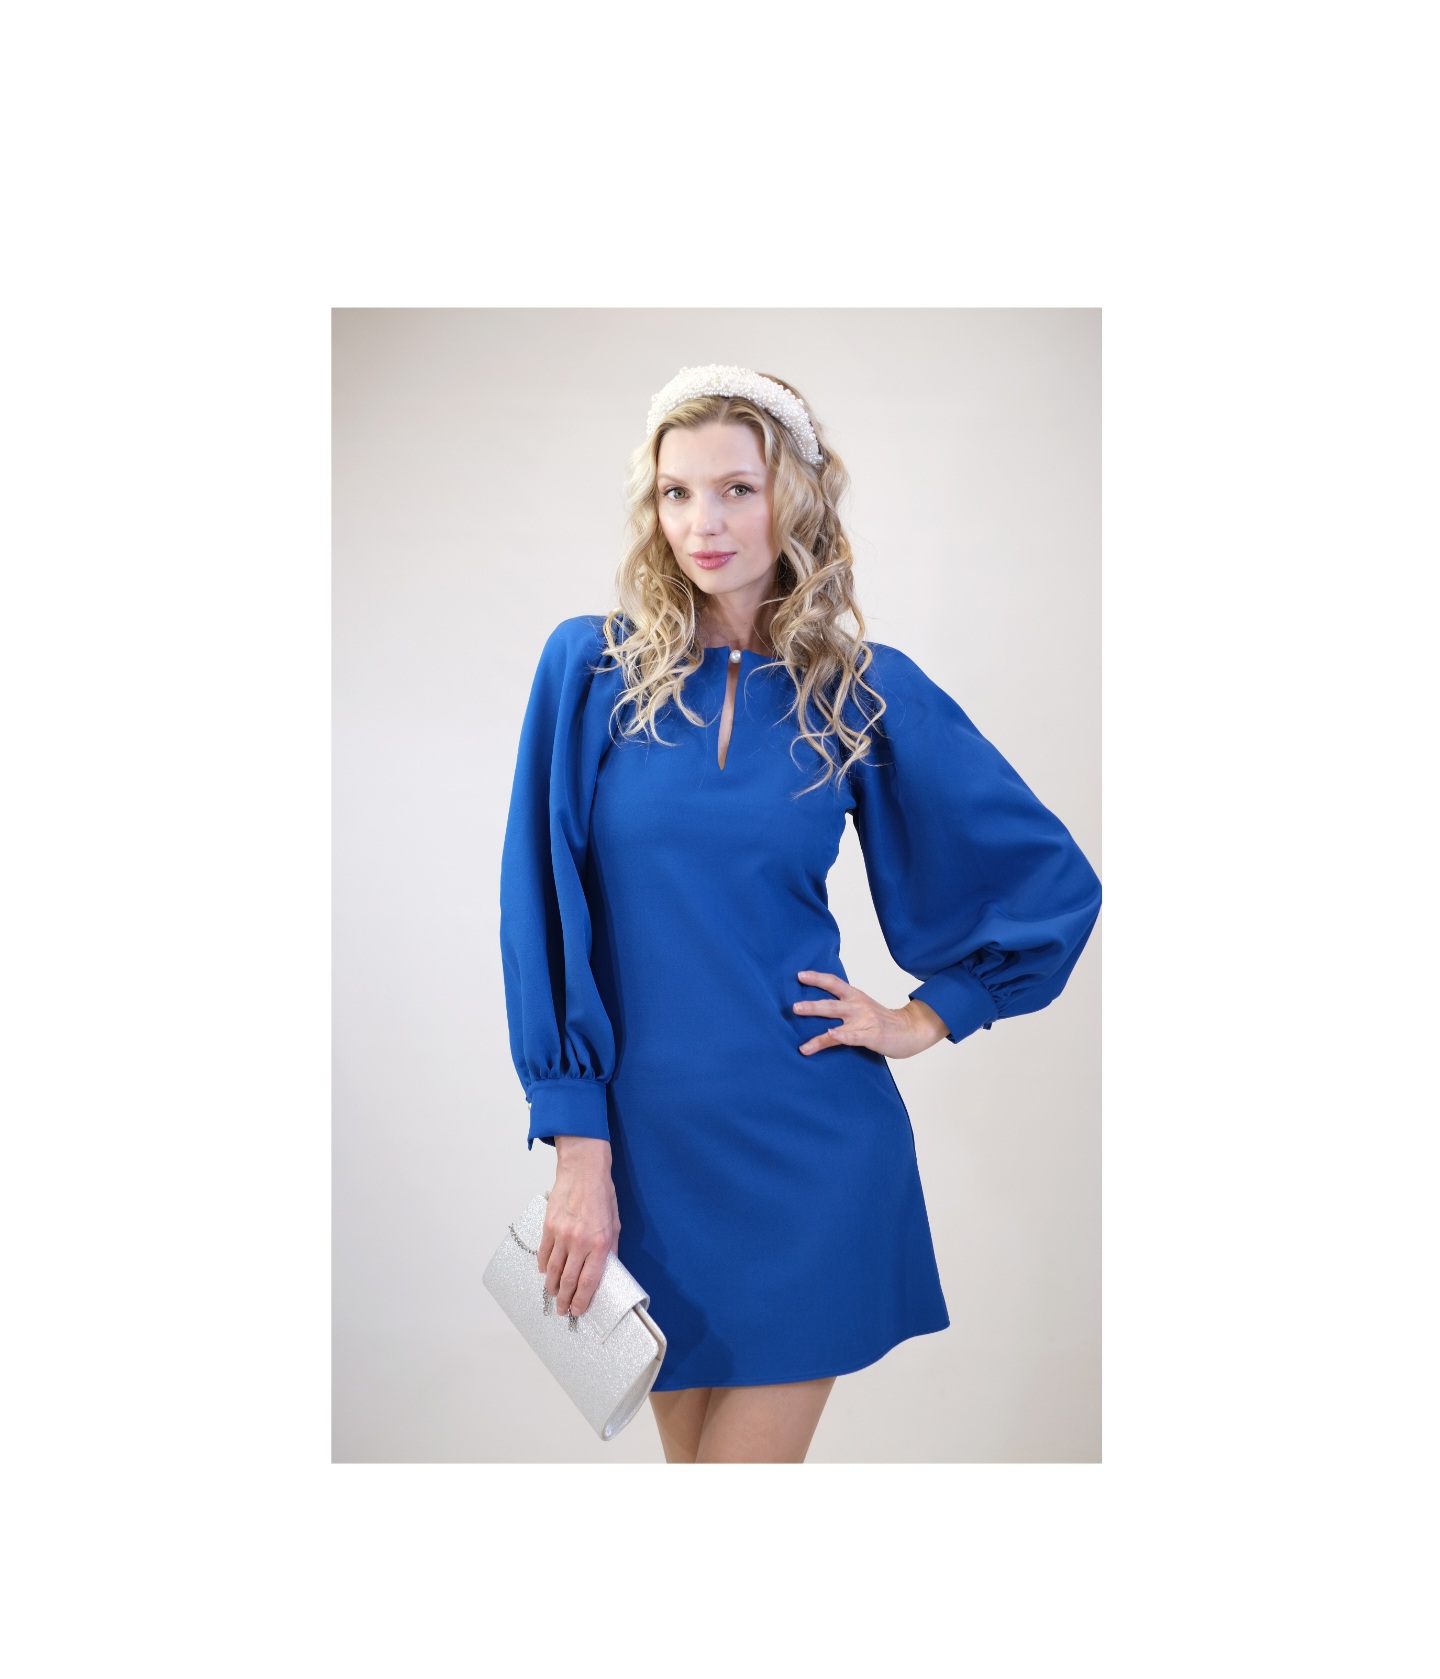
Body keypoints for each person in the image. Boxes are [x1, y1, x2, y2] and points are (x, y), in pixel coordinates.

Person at [499, 365, 1102, 1463]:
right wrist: (578, 1145)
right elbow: (539, 905)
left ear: (796, 496)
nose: (704, 522)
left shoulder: (861, 689)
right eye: (677, 492)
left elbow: (1048, 882)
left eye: (737, 488)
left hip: (806, 1148)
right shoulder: (589, 671)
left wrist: (928, 1014)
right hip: (642, 1157)